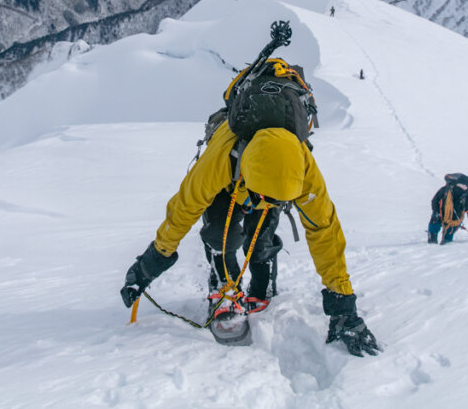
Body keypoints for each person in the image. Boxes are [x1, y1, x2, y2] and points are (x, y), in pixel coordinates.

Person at [119, 123, 381, 357]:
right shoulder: (219, 160)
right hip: (229, 186)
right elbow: (181, 213)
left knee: (260, 238)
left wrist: (343, 308)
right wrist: (150, 263)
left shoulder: (303, 170)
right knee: (221, 235)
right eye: (264, 197)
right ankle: (225, 286)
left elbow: (325, 232)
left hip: (266, 182)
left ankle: (262, 282)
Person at [427, 172, 468, 244]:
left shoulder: (467, 197)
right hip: (440, 214)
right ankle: (432, 238)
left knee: (448, 241)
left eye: (465, 187)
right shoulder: (445, 190)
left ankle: (445, 245)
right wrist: (436, 212)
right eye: (461, 185)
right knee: (434, 222)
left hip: (454, 221)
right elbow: (435, 201)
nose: (462, 188)